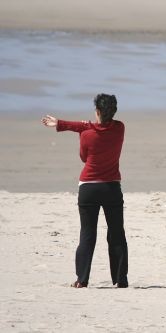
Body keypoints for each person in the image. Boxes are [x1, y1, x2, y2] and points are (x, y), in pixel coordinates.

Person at [41, 94, 128, 288]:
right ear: (113, 112)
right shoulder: (120, 128)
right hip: (112, 187)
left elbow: (83, 156)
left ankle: (82, 279)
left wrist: (65, 125)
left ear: (97, 111)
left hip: (88, 187)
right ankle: (121, 280)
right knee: (116, 233)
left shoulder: (87, 134)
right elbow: (93, 125)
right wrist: (64, 124)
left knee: (87, 234)